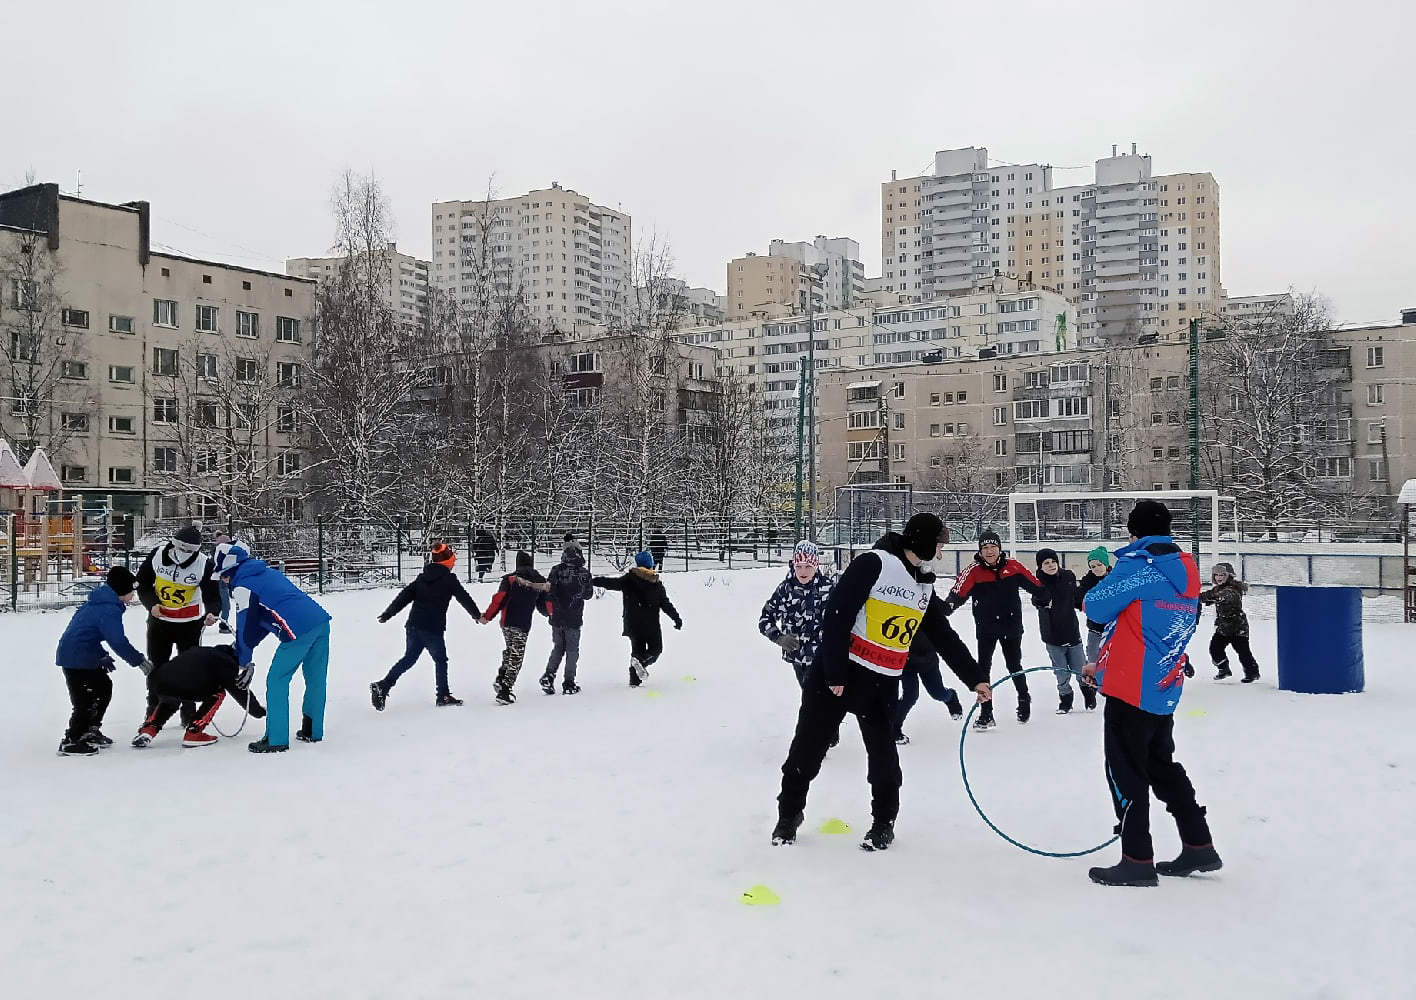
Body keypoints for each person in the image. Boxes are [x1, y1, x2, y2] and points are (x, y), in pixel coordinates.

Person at [773, 513, 991, 852]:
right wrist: (834, 674)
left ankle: (883, 822)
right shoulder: (875, 563)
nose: (940, 549)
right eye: (938, 542)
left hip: (881, 681)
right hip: (838, 674)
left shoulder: (922, 582)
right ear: (921, 540)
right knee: (808, 747)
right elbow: (837, 613)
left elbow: (942, 635)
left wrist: (975, 678)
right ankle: (788, 816)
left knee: (884, 757)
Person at [1082, 500, 1222, 887]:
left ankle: (1137, 858)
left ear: (1134, 532)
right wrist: (1103, 666)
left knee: (1125, 770)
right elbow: (1144, 626)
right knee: (1161, 765)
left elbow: (1095, 606)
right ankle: (1198, 843)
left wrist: (1116, 570)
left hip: (1131, 687)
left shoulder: (1140, 566)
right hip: (1163, 685)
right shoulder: (1186, 569)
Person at [215, 542, 333, 753]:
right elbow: (262, 620)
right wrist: (244, 648)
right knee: (315, 678)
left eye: (223, 576)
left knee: (277, 680)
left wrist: (243, 660)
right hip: (320, 622)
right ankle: (312, 730)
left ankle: (276, 739)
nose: (223, 582)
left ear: (230, 571)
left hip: (297, 631)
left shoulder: (243, 586)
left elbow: (245, 625)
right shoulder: (265, 572)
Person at [942, 529, 1045, 728]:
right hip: (986, 627)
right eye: (985, 548)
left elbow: (1036, 587)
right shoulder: (973, 571)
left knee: (1014, 665)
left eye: (993, 547)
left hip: (1011, 625)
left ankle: (1024, 700)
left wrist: (1046, 598)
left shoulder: (1013, 567)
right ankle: (986, 713)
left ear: (1000, 548)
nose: (989, 551)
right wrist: (945, 608)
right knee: (983, 670)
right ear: (980, 551)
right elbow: (957, 594)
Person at [134, 525, 222, 742]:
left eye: (191, 551)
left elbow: (212, 594)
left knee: (189, 670)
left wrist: (212, 612)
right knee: (157, 668)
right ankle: (153, 712)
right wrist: (151, 604)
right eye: (183, 549)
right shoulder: (157, 554)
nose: (185, 555)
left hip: (189, 624)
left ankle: (188, 712)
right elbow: (142, 583)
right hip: (160, 622)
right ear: (174, 544)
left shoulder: (203, 563)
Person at [371, 542, 482, 710]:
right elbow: (463, 597)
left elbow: (404, 596)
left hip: (414, 626)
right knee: (440, 660)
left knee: (409, 658)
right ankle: (443, 695)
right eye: (452, 561)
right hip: (432, 629)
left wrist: (389, 613)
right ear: (448, 562)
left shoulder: (422, 577)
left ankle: (384, 685)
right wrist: (477, 615)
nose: (453, 564)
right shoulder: (449, 579)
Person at [54, 566, 150, 756]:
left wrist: (99, 654)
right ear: (122, 591)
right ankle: (72, 739)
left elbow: (87, 633)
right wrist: (139, 661)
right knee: (85, 700)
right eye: (132, 591)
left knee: (103, 688)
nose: (133, 596)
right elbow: (117, 641)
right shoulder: (108, 609)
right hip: (76, 659)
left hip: (84, 655)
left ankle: (90, 730)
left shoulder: (101, 603)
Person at [134, 644, 266, 748]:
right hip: (186, 686)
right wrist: (259, 712)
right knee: (218, 693)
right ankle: (194, 732)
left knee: (171, 699)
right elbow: (240, 692)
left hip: (160, 681)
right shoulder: (227, 663)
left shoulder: (200, 651)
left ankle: (148, 729)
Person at [593, 552, 683, 687]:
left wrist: (594, 580)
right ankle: (640, 662)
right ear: (651, 564)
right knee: (656, 649)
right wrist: (676, 618)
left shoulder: (629, 579)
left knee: (637, 650)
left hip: (632, 623)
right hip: (651, 624)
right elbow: (665, 603)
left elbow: (612, 583)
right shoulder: (655, 583)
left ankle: (634, 679)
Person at [757, 541, 836, 688]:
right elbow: (765, 618)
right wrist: (779, 638)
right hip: (797, 656)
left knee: (819, 701)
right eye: (798, 566)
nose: (802, 572)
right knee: (809, 697)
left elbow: (840, 620)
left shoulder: (827, 588)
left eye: (808, 566)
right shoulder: (786, 590)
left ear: (816, 566)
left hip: (822, 657)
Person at [480, 550, 550, 705]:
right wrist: (552, 613)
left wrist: (487, 616)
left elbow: (499, 600)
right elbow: (544, 607)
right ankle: (505, 690)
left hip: (507, 622)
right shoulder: (539, 581)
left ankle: (501, 678)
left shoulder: (509, 579)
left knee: (511, 651)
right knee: (516, 656)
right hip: (523, 624)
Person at [1033, 547, 1090, 714]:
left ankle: (1088, 693)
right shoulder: (1039, 583)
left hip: (1072, 632)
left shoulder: (1068, 577)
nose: (1051, 565)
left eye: (1053, 562)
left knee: (1080, 667)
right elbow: (1036, 599)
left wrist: (1085, 603)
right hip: (1052, 635)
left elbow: (1076, 596)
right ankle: (1066, 699)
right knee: (1061, 671)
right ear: (1040, 567)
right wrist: (1042, 602)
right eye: (1046, 563)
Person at [540, 541, 594, 695]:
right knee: (572, 650)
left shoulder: (556, 570)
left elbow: (549, 590)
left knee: (558, 647)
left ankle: (549, 675)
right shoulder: (584, 573)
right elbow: (588, 595)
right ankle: (569, 681)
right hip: (574, 617)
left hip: (557, 616)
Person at [892, 632, 964, 745]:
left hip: (927, 660)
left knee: (937, 693)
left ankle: (951, 698)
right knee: (910, 696)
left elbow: (945, 616)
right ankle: (894, 728)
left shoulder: (928, 617)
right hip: (904, 662)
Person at [1199, 562, 1261, 683]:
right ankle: (1224, 669)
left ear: (1229, 576)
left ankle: (1252, 673)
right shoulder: (1218, 589)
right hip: (1223, 627)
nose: (1218, 577)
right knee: (1215, 649)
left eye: (1222, 575)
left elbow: (1225, 596)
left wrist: (1215, 598)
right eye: (1216, 575)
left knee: (1243, 652)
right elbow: (1208, 595)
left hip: (1237, 627)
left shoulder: (1233, 589)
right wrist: (1194, 597)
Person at [1075, 546, 1111, 671]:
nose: (1096, 569)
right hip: (1095, 628)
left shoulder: (1115, 578)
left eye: (1099, 564)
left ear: (1106, 564)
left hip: (1114, 628)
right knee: (1093, 658)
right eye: (1092, 566)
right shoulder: (1087, 581)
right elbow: (1078, 599)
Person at [212, 531, 235, 634]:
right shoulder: (222, 556)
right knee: (225, 605)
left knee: (216, 605)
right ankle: (223, 625)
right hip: (222, 582)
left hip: (217, 583)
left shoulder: (215, 555)